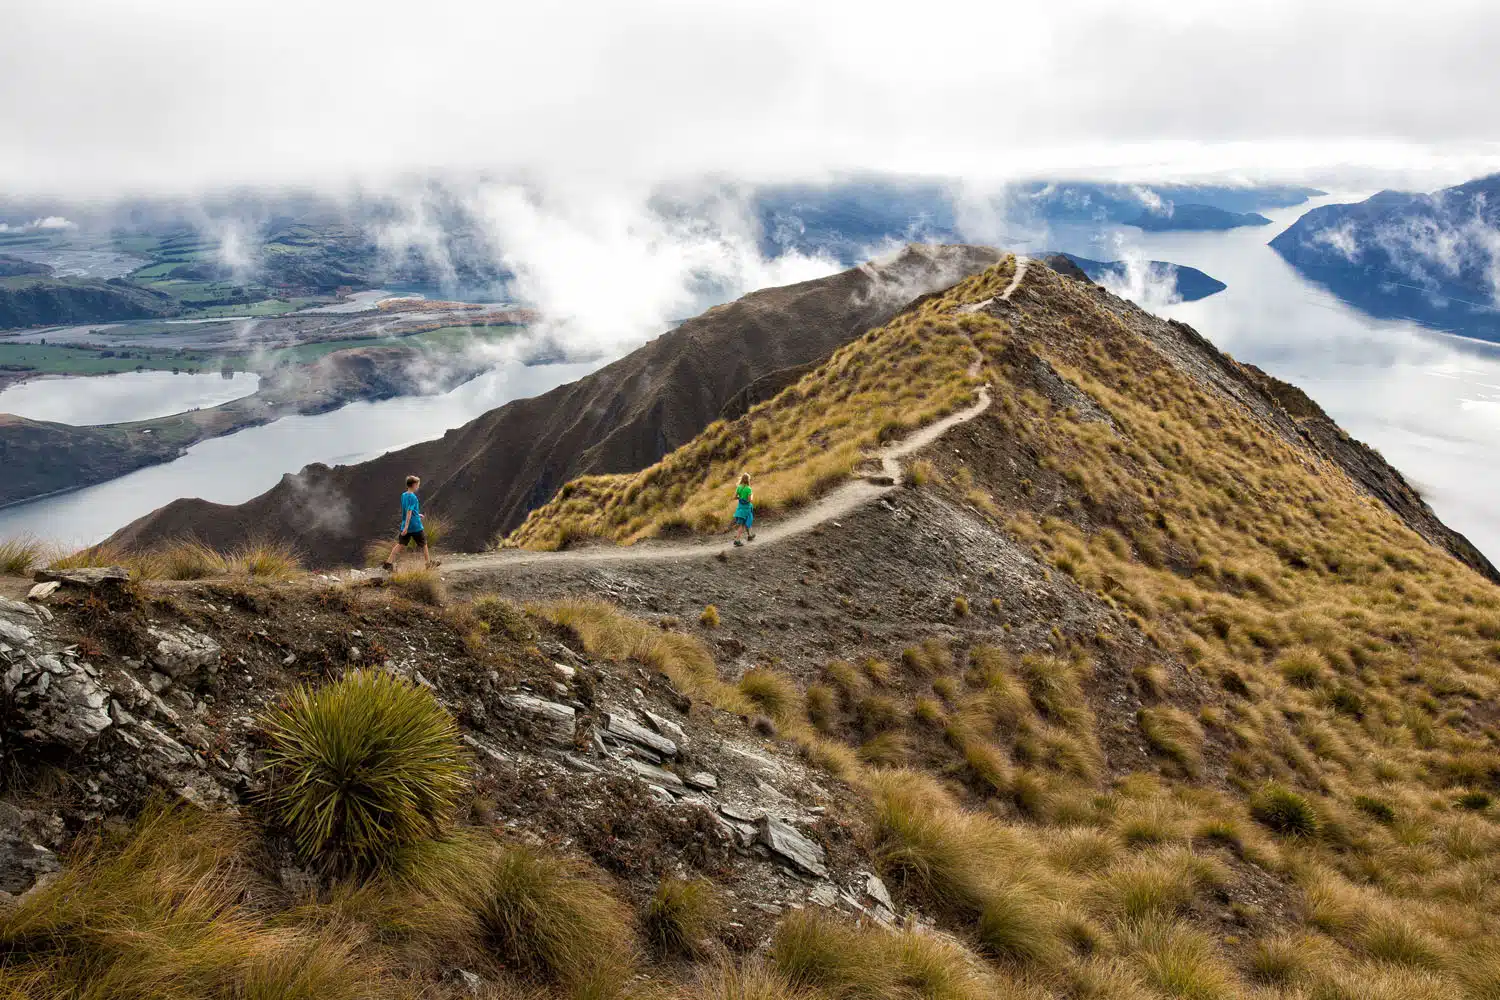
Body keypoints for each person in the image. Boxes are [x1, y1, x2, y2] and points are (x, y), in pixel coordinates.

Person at [382, 475, 440, 571]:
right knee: (424, 544)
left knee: (400, 544)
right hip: (415, 526)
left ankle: (388, 563)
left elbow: (408, 510)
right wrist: (407, 527)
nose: (418, 486)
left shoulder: (403, 495)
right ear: (413, 485)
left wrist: (417, 515)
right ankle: (428, 564)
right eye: (417, 484)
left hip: (406, 523)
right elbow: (409, 511)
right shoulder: (413, 497)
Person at [732, 472, 756, 546]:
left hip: (740, 507)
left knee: (746, 521)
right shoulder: (748, 489)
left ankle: (749, 536)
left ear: (742, 479)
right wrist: (752, 496)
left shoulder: (739, 487)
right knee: (742, 525)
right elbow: (749, 500)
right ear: (748, 480)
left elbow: (734, 497)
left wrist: (740, 498)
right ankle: (737, 540)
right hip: (746, 508)